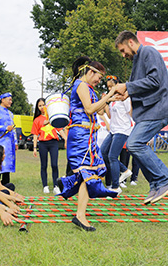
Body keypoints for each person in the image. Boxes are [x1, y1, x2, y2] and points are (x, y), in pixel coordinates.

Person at [115, 30, 168, 204]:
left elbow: (155, 81)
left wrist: (128, 86)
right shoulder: (138, 59)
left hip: (160, 108)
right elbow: (142, 86)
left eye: (123, 50)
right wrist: (127, 94)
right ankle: (155, 185)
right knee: (133, 146)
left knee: (134, 143)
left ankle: (164, 179)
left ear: (131, 42)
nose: (124, 55)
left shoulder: (149, 52)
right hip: (151, 110)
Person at [57, 56, 119, 231]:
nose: (99, 81)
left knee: (92, 172)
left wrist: (111, 98)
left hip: (88, 134)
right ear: (90, 72)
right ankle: (79, 214)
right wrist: (109, 96)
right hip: (81, 136)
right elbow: (90, 109)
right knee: (88, 174)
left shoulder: (89, 88)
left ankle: (68, 184)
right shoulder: (82, 85)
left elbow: (98, 109)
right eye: (98, 78)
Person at [101, 75, 134, 194]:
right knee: (103, 152)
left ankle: (115, 187)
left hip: (122, 129)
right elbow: (110, 116)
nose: (110, 89)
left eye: (112, 86)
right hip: (113, 129)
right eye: (108, 87)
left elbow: (130, 113)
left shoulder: (124, 98)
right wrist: (106, 102)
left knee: (112, 156)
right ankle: (124, 170)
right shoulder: (112, 100)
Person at [31, 98, 67, 194]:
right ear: (38, 108)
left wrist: (66, 139)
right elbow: (35, 135)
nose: (42, 107)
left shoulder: (53, 117)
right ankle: (45, 186)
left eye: (44, 105)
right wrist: (34, 148)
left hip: (53, 143)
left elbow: (60, 130)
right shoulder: (37, 120)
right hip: (43, 144)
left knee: (54, 165)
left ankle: (56, 186)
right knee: (44, 165)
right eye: (40, 106)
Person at [0, 92, 17, 185]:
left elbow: (13, 128)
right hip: (1, 142)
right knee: (0, 162)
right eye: (9, 99)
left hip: (10, 143)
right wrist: (5, 128)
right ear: (2, 100)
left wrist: (16, 142)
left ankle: (6, 184)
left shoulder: (10, 113)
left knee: (8, 164)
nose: (11, 101)